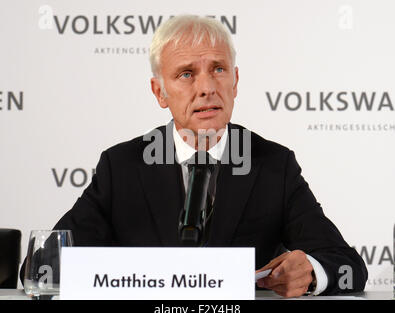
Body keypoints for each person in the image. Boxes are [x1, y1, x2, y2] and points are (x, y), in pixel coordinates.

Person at [20, 15, 367, 297]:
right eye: (186, 74)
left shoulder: (274, 165)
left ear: (235, 81)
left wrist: (309, 273)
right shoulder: (121, 168)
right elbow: (41, 268)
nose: (206, 87)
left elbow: (349, 267)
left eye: (218, 69)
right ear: (160, 92)